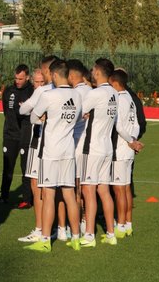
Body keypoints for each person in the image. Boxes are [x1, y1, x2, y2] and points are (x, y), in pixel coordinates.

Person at [23, 59, 82, 252]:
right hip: (68, 150)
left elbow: (33, 117)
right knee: (69, 195)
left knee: (48, 195)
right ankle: (75, 237)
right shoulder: (77, 95)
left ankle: (45, 240)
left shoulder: (49, 95)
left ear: (55, 75)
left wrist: (43, 118)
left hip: (50, 151)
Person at [78, 58, 119, 248]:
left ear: (97, 72)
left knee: (88, 190)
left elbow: (79, 113)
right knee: (104, 190)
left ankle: (89, 235)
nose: (92, 72)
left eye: (94, 69)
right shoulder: (114, 93)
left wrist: (85, 113)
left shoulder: (96, 93)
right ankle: (111, 233)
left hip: (92, 147)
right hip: (107, 147)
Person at [17, 56, 58, 243]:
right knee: (58, 187)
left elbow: (24, 111)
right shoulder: (69, 92)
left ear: (48, 71)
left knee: (37, 186)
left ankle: (40, 229)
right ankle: (60, 228)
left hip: (39, 142)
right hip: (59, 145)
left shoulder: (43, 91)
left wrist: (35, 112)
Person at [109, 69, 144, 238]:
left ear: (114, 83)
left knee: (119, 190)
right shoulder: (130, 98)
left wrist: (131, 141)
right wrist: (134, 140)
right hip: (129, 149)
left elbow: (119, 126)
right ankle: (128, 224)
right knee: (126, 187)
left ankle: (120, 226)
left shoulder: (118, 99)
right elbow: (136, 123)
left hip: (120, 149)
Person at [0, 64, 34, 208]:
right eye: (16, 78)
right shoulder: (9, 91)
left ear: (27, 77)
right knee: (7, 168)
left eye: (21, 78)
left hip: (25, 136)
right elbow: (6, 112)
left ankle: (27, 199)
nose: (17, 81)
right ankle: (3, 197)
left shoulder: (32, 91)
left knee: (25, 168)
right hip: (10, 135)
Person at [67, 59, 93, 234]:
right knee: (87, 187)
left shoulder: (75, 94)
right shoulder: (91, 90)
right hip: (91, 144)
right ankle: (85, 224)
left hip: (76, 143)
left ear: (70, 75)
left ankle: (74, 226)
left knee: (75, 187)